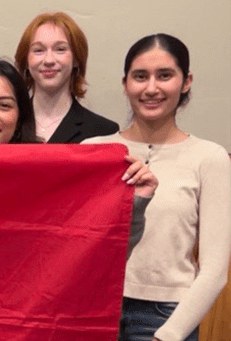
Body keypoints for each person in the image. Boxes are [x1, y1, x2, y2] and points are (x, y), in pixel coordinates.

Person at [84, 34, 230, 341]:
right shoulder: (94, 150)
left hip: (165, 315)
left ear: (186, 81)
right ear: (125, 84)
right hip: (93, 307)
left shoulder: (210, 158)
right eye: (140, 77)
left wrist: (171, 334)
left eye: (164, 75)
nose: (151, 88)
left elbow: (215, 270)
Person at [0, 59, 155, 258]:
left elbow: (97, 257)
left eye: (4, 105)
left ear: (20, 118)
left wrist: (133, 204)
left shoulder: (46, 183)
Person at [14, 12, 118, 143]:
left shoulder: (103, 132)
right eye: (39, 50)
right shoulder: (8, 125)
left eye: (60, 49)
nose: (49, 60)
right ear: (26, 61)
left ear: (76, 59)